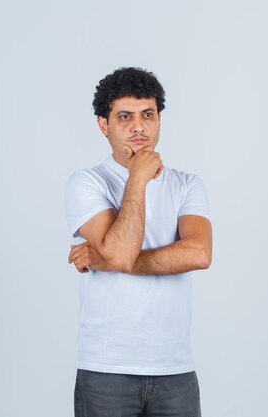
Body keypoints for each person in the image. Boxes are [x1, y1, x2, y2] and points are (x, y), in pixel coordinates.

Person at [65, 67, 212, 417]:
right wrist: (138, 178)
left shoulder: (188, 184)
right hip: (107, 370)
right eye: (125, 117)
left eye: (147, 115)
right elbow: (119, 252)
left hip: (175, 369)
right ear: (104, 124)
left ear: (159, 118)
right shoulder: (87, 183)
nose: (138, 127)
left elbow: (200, 253)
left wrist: (109, 261)